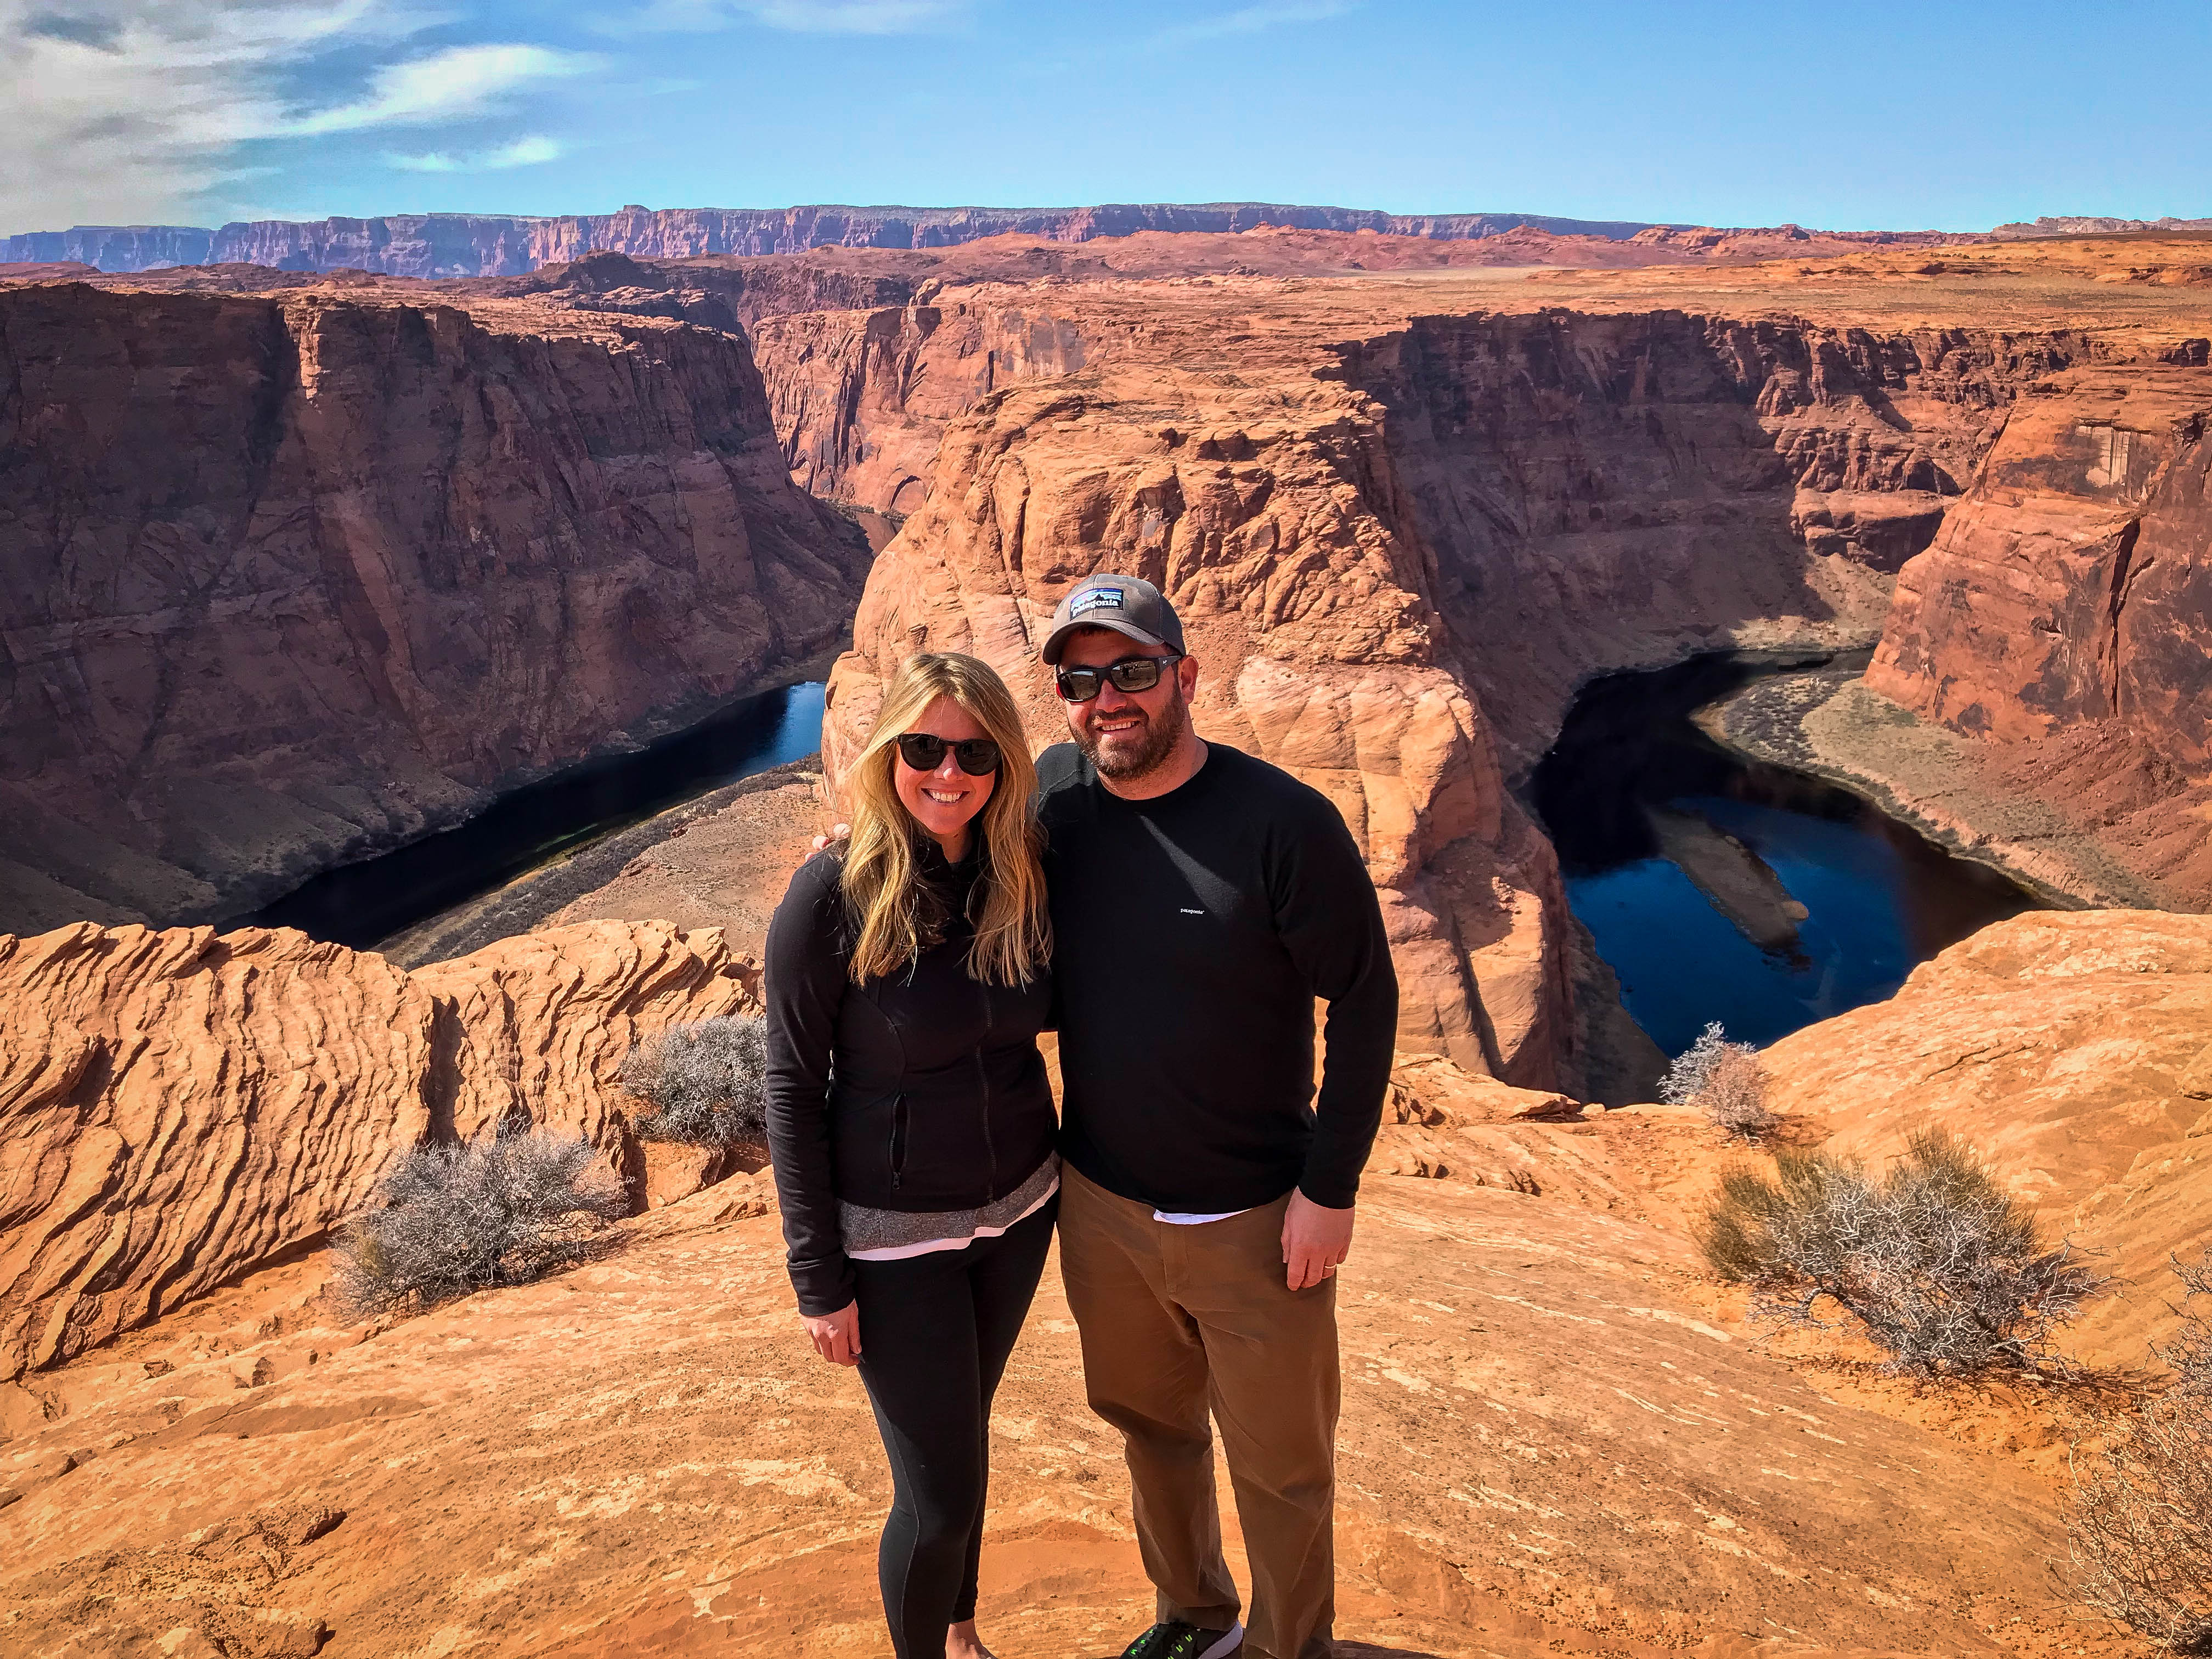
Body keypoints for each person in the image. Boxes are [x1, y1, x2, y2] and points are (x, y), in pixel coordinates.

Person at [1037, 574, 1397, 1659]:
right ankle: (1196, 1617)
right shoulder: (1057, 800)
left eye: (1134, 673)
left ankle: (1291, 1650)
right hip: (1101, 1208)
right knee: (1151, 1432)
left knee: (1283, 1470)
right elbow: (951, 865)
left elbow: (1367, 996)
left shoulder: (1281, 823)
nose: (1110, 701)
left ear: (1185, 677)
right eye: (1082, 680)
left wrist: (1329, 1190)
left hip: (1254, 1219)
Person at [764, 651, 1057, 1659]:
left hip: (1020, 1214)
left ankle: (962, 1631)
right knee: (935, 1501)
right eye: (923, 747)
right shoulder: (830, 895)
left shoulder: (1021, 870)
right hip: (894, 1244)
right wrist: (818, 1279)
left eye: (974, 752)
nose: (949, 771)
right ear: (888, 752)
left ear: (1003, 763)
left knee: (963, 1446)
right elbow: (793, 1088)